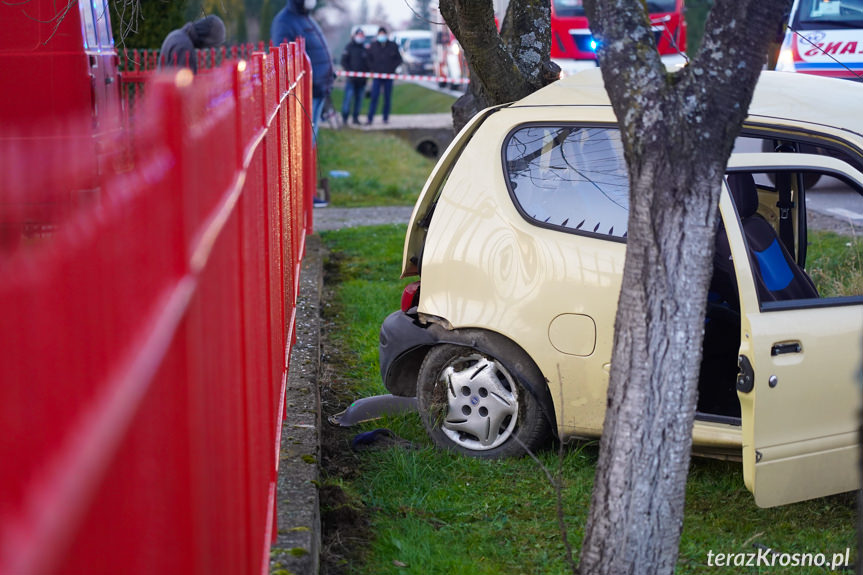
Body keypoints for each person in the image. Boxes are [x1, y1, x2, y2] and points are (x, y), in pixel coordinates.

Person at [271, 0, 334, 139]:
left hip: (318, 88)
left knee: (312, 132)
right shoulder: (284, 21)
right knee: (304, 137)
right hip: (305, 91)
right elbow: (283, 59)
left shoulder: (306, 19)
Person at [159, 15, 226, 74]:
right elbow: (182, 85)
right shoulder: (184, 47)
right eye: (210, 45)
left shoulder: (178, 36)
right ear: (207, 39)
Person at [366, 27, 402, 125]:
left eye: (383, 34)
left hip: (388, 76)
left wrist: (392, 69)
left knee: (387, 98)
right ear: (378, 35)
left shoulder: (393, 45)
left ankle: (385, 118)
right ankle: (370, 118)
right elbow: (368, 59)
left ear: (386, 34)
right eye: (380, 34)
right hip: (377, 76)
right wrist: (373, 69)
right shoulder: (373, 46)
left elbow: (399, 59)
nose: (382, 36)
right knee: (374, 97)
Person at [340, 28, 370, 125]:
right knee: (348, 99)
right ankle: (344, 118)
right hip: (351, 80)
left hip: (361, 81)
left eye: (362, 36)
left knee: (359, 100)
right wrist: (349, 72)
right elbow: (343, 61)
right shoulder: (349, 47)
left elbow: (368, 64)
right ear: (354, 36)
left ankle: (355, 118)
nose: (360, 38)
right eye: (359, 35)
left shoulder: (365, 49)